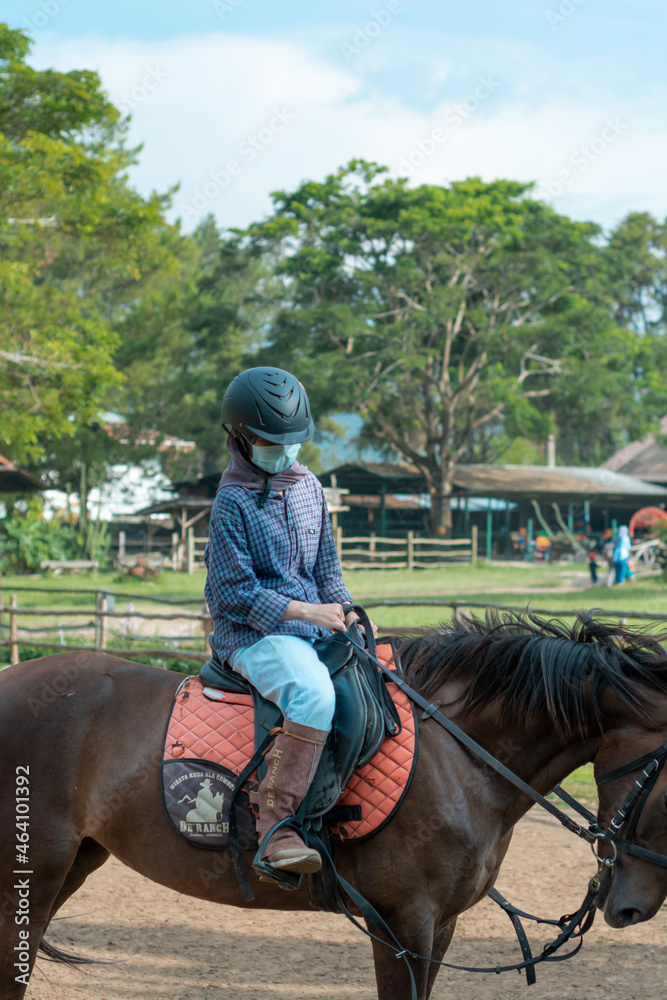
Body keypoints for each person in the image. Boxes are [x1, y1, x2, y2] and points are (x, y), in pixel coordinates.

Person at [204, 367, 377, 877]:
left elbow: (327, 571)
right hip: (252, 636)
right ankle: (276, 825)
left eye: (291, 441)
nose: (283, 450)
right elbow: (230, 596)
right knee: (314, 695)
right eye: (269, 441)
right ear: (240, 437)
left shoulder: (309, 488)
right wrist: (303, 612)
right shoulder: (229, 502)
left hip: (315, 627)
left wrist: (347, 612)